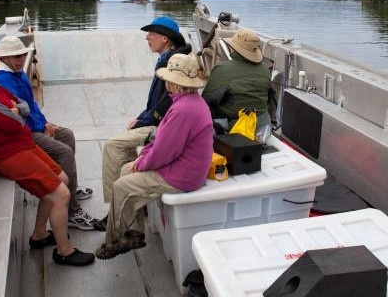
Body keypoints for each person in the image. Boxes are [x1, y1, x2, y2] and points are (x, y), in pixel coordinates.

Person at [0, 43, 94, 266]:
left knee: (62, 179)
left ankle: (40, 234)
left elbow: (22, 106)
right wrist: (18, 112)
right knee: (61, 195)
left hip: (21, 146)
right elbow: (13, 123)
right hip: (8, 154)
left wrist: (18, 110)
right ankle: (64, 251)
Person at [95, 53, 213, 259]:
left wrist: (142, 164)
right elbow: (160, 141)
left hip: (183, 176)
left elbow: (165, 151)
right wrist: (142, 159)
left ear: (173, 83)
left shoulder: (183, 109)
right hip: (183, 166)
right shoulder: (188, 101)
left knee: (122, 185)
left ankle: (115, 241)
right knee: (125, 170)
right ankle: (134, 232)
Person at [95, 16, 191, 231]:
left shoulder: (172, 64)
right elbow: (157, 102)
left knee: (112, 146)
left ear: (165, 39)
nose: (147, 38)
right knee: (125, 144)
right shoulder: (169, 58)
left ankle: (116, 212)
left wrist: (144, 121)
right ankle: (130, 203)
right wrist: (141, 117)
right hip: (155, 119)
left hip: (162, 125)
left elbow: (166, 105)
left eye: (151, 34)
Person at [0, 35, 99, 230]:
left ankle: (71, 189)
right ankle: (72, 211)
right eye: (15, 56)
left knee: (67, 134)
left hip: (35, 126)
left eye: (22, 55)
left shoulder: (18, 74)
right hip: (24, 133)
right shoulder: (2, 81)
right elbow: (20, 115)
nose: (20, 60)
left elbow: (31, 104)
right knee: (64, 152)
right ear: (4, 58)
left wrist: (45, 123)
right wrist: (41, 127)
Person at [203, 27, 272, 141]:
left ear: (233, 48)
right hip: (262, 129)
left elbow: (206, 99)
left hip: (236, 130)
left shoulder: (222, 69)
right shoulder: (265, 71)